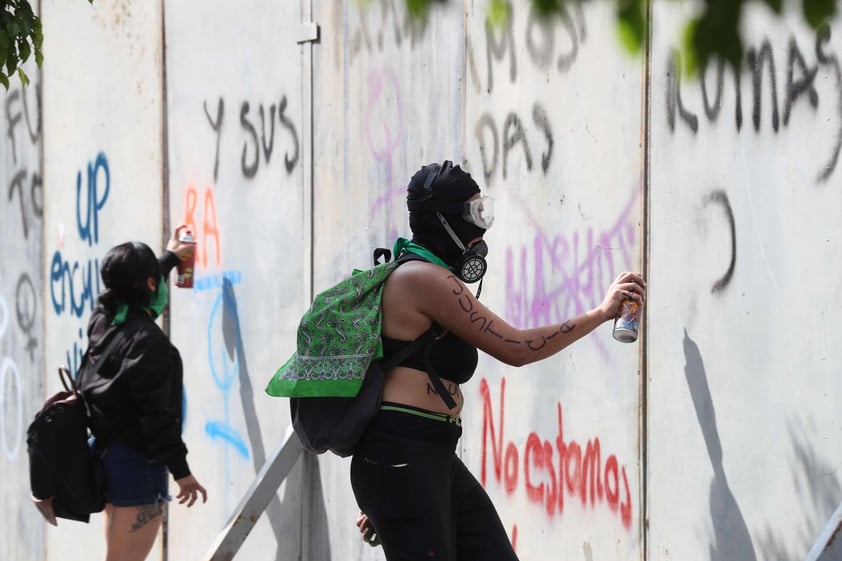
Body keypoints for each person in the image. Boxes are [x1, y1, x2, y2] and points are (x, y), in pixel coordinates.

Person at [352, 160, 645, 561]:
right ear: (443, 220)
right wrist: (600, 313)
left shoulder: (431, 277)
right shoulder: (423, 279)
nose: (483, 227)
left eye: (484, 210)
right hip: (405, 457)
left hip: (430, 457)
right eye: (475, 214)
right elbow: (517, 348)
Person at [76, 225, 206, 561]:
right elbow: (156, 417)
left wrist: (168, 260)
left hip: (108, 456)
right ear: (150, 285)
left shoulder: (102, 322)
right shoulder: (149, 343)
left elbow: (134, 300)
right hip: (138, 465)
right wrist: (182, 472)